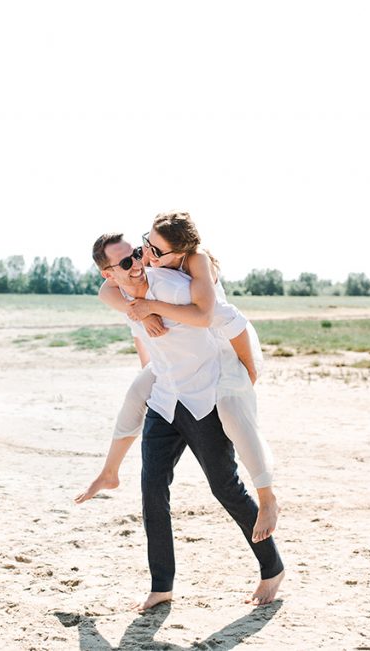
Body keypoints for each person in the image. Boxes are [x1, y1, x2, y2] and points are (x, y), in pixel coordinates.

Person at [76, 232, 284, 610]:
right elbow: (142, 336)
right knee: (152, 490)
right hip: (166, 400)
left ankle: (272, 568)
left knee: (226, 489)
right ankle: (162, 587)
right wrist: (139, 320)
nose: (136, 264)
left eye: (138, 255)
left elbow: (227, 319)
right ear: (109, 274)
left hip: (205, 397)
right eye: (125, 263)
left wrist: (249, 372)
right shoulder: (121, 297)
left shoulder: (172, 286)